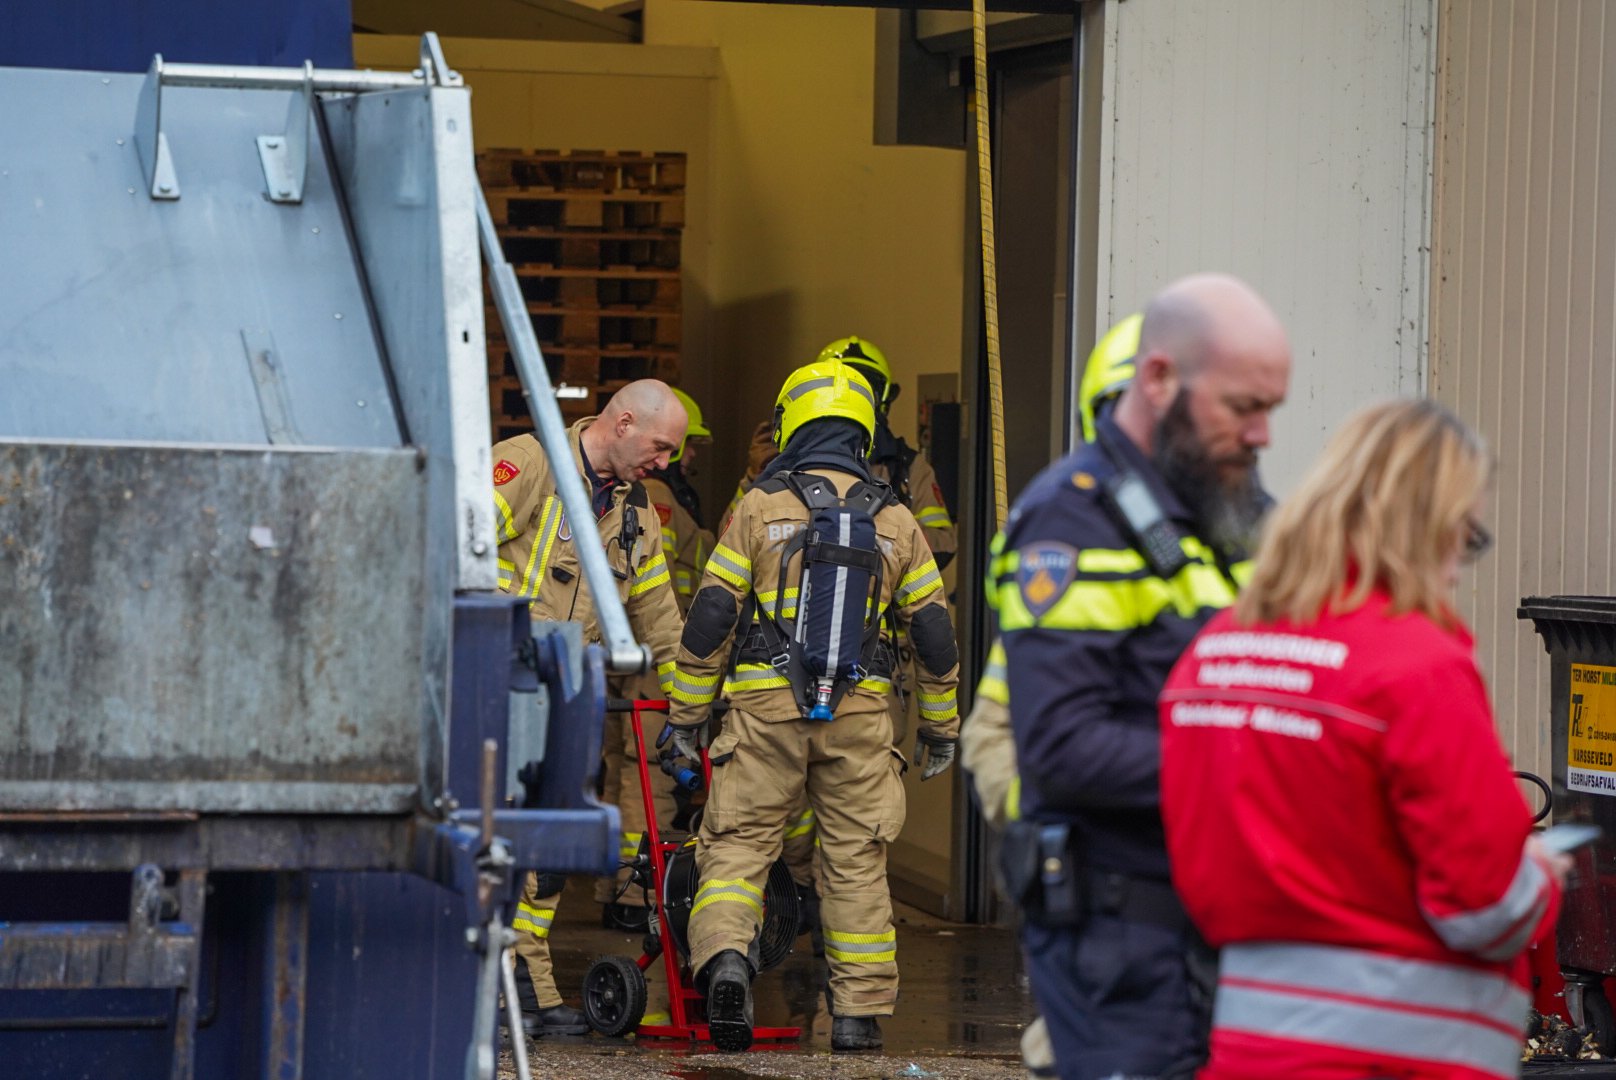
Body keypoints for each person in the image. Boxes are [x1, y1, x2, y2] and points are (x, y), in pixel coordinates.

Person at [1159, 399, 1569, 1080]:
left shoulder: (1215, 653)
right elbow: (1487, 907)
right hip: (1403, 1056)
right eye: (1464, 536)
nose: (1458, 567)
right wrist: (1541, 876)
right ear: (1425, 527)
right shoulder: (1415, 663)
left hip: (1246, 1045)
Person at [992, 273, 1291, 1079]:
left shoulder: (1223, 514)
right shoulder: (1072, 522)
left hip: (1221, 917)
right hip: (1125, 934)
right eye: (1243, 407)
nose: (1263, 434)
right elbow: (1061, 747)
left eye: (1271, 409)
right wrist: (1263, 767)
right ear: (1159, 379)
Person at [663, 359, 961, 1053]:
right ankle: (857, 1015)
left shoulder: (758, 507)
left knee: (739, 846)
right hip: (861, 716)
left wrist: (684, 716)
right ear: (863, 428)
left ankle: (728, 960)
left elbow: (711, 618)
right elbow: (934, 633)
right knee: (856, 860)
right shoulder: (896, 519)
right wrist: (941, 724)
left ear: (791, 423)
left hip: (765, 710)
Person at [491, 379, 687, 1038]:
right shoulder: (531, 463)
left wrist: (690, 703)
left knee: (548, 851)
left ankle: (528, 986)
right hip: (500, 689)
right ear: (624, 423)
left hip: (568, 700)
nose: (665, 463)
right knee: (499, 840)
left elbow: (659, 616)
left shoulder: (637, 513)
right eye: (660, 447)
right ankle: (495, 986)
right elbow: (453, 549)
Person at [596, 386, 713, 933]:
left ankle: (613, 884)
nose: (676, 459)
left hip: (616, 651)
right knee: (649, 772)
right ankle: (638, 892)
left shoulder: (635, 494)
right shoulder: (651, 496)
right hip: (643, 655)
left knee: (618, 767)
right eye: (670, 447)